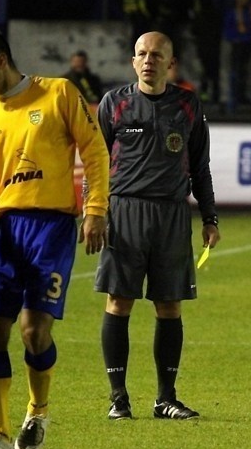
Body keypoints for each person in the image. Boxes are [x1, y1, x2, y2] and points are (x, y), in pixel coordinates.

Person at [0, 26, 109, 449]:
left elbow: (95, 151)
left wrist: (95, 209)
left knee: (34, 331)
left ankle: (37, 413)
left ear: (0, 60)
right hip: (1, 232)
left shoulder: (58, 93)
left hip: (50, 227)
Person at [94, 31, 220, 421]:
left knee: (169, 305)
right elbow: (95, 164)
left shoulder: (187, 105)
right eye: (141, 54)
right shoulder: (113, 104)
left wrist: (210, 217)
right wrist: (94, 212)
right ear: (133, 61)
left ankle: (166, 398)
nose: (148, 60)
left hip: (171, 214)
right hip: (124, 213)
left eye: (156, 55)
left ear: (171, 63)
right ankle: (119, 397)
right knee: (119, 301)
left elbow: (200, 166)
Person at [223, 0, 251, 108]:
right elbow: (227, 31)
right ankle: (234, 95)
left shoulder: (250, 12)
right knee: (235, 70)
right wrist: (235, 38)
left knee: (244, 70)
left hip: (247, 44)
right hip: (237, 45)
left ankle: (242, 94)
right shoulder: (232, 13)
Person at [188, 0, 222, 104]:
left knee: (206, 72)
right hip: (211, 44)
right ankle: (214, 96)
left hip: (205, 44)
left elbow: (194, 30)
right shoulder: (213, 13)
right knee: (212, 71)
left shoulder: (202, 14)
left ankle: (208, 95)